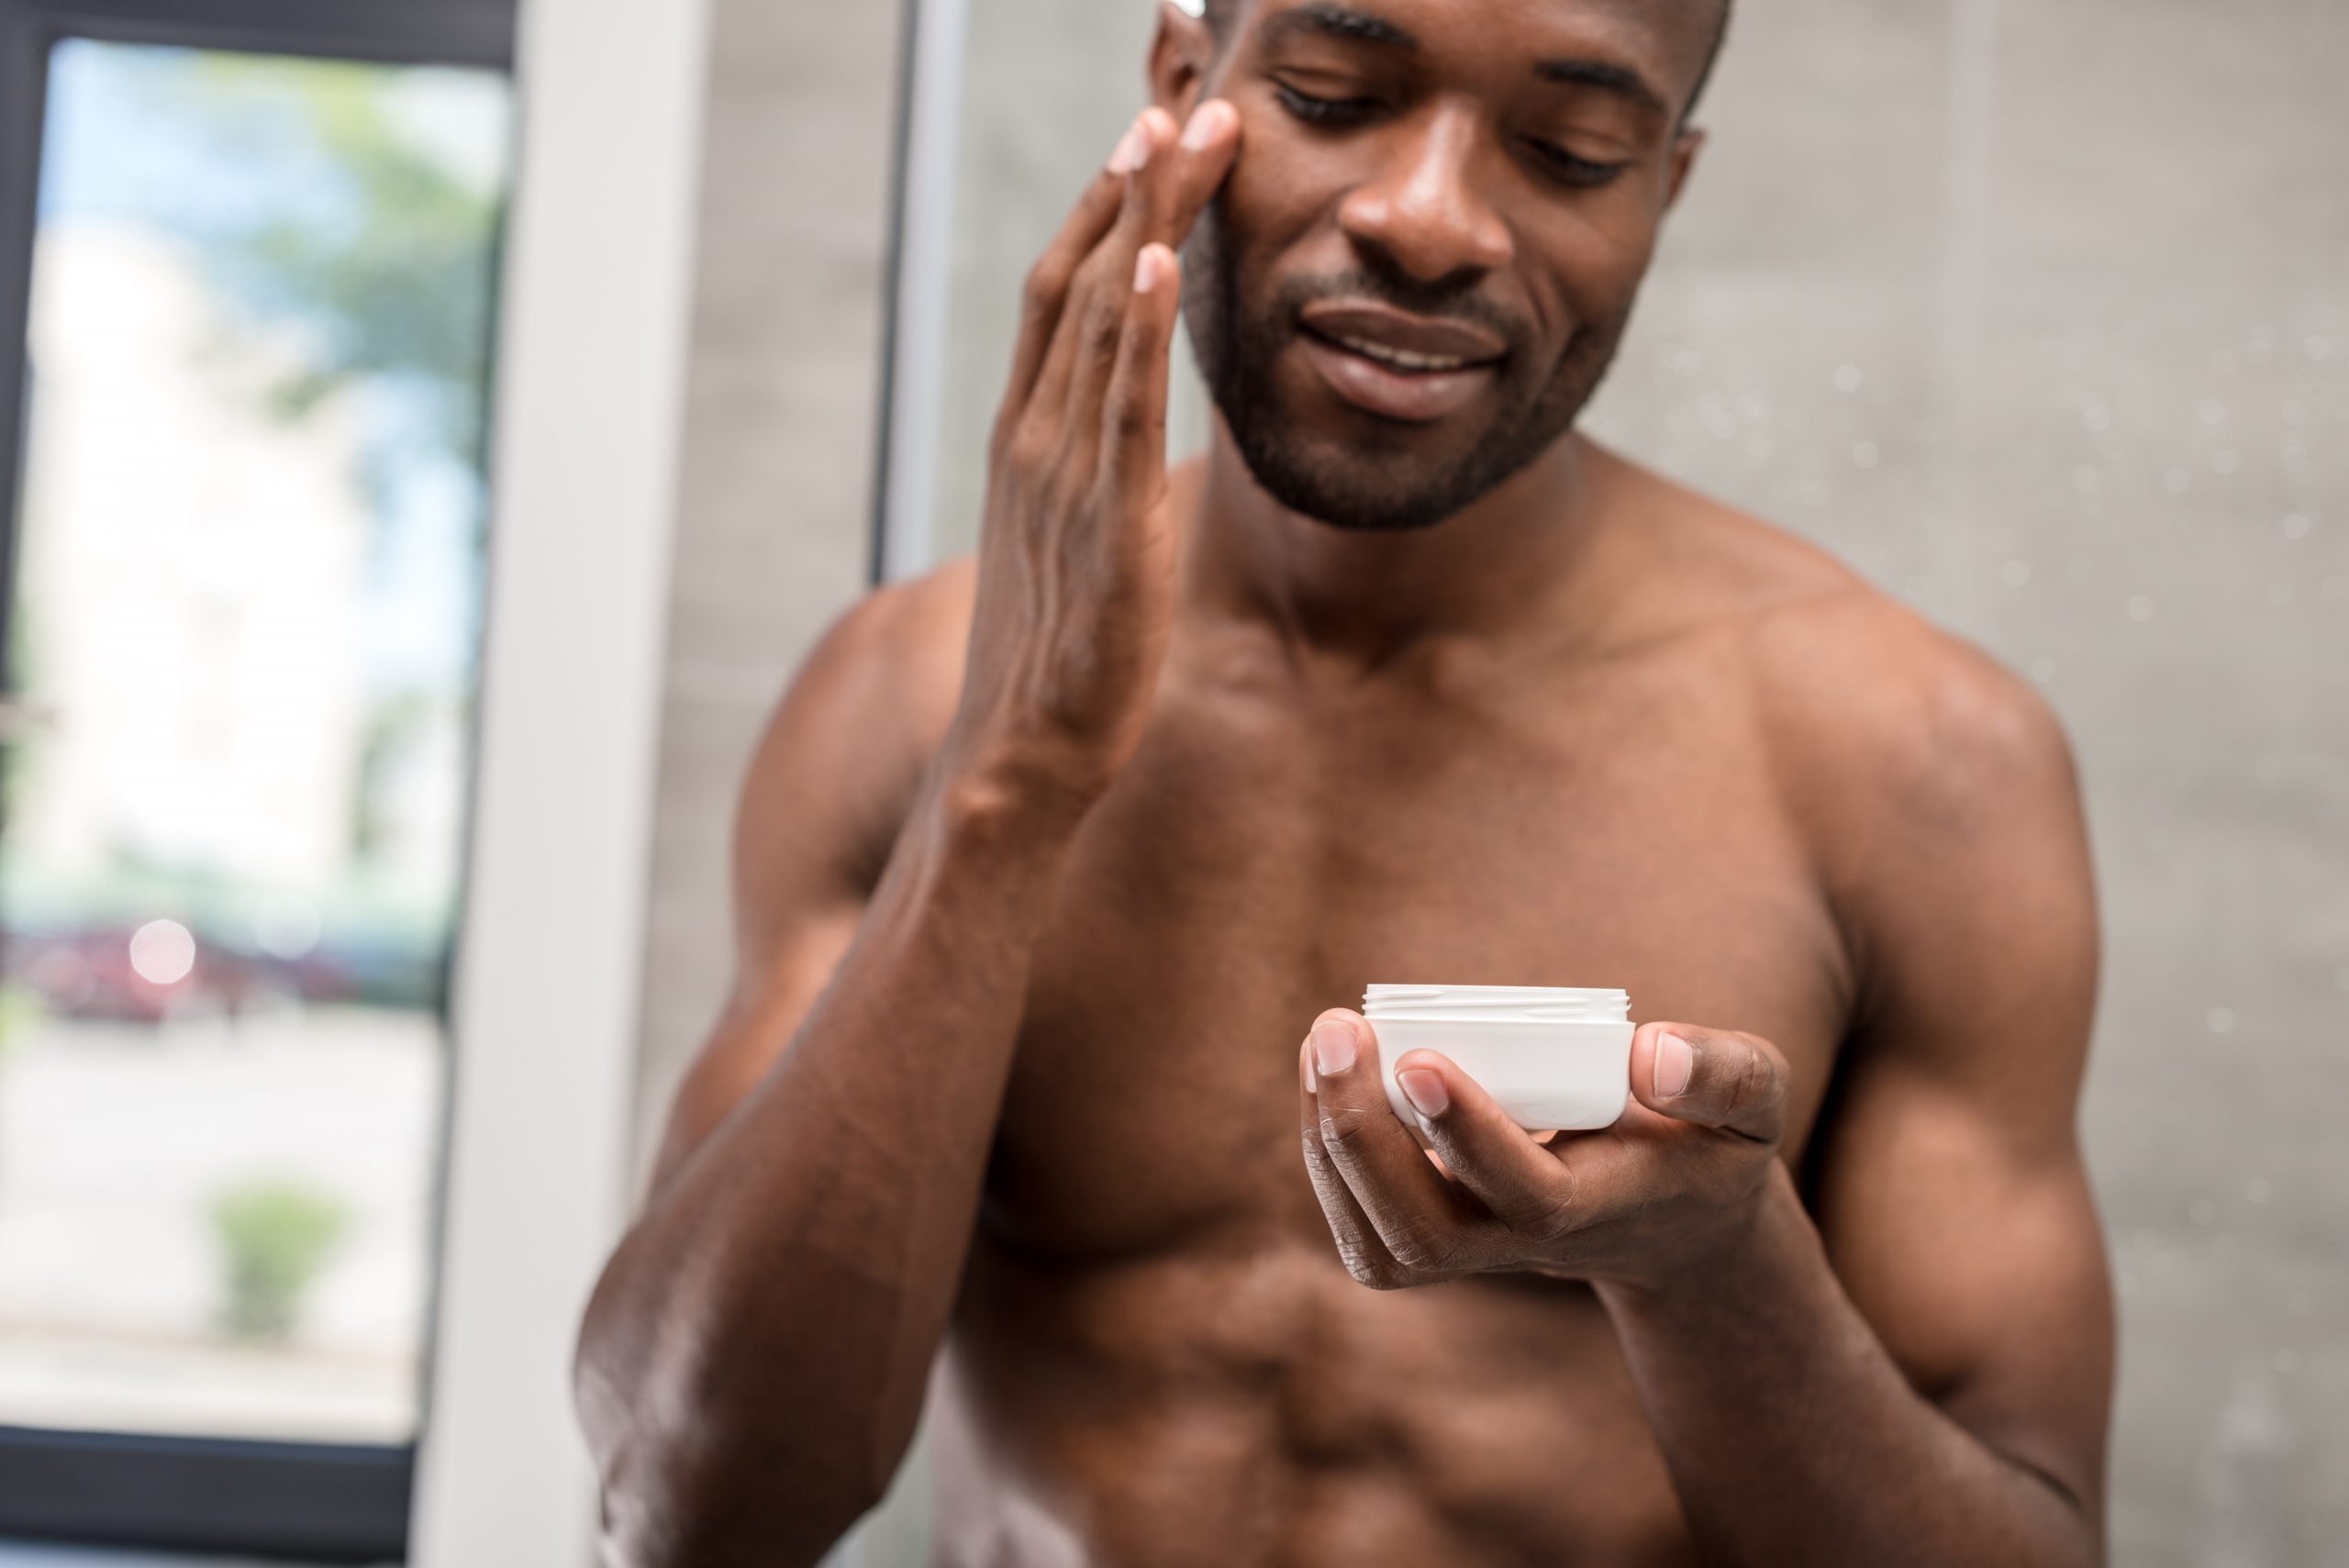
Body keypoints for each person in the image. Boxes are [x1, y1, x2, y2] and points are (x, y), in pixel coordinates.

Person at [575, 1, 2115, 1562]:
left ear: (1667, 186)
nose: (1430, 220)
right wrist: (1006, 781)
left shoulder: (1920, 766)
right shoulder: (905, 696)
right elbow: (686, 1505)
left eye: (1570, 153)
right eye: (1334, 93)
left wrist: (1717, 1272)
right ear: (1184, 84)